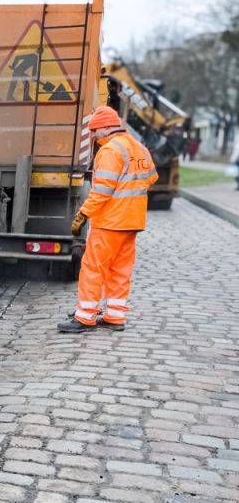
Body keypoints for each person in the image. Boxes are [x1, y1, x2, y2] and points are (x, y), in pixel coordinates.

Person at [58, 106, 158, 333]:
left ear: (105, 127)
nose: (93, 136)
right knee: (120, 270)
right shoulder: (139, 148)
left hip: (110, 222)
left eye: (94, 131)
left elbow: (101, 191)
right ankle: (115, 315)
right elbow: (151, 177)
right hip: (132, 221)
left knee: (93, 268)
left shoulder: (110, 151)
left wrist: (83, 213)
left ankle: (84, 318)